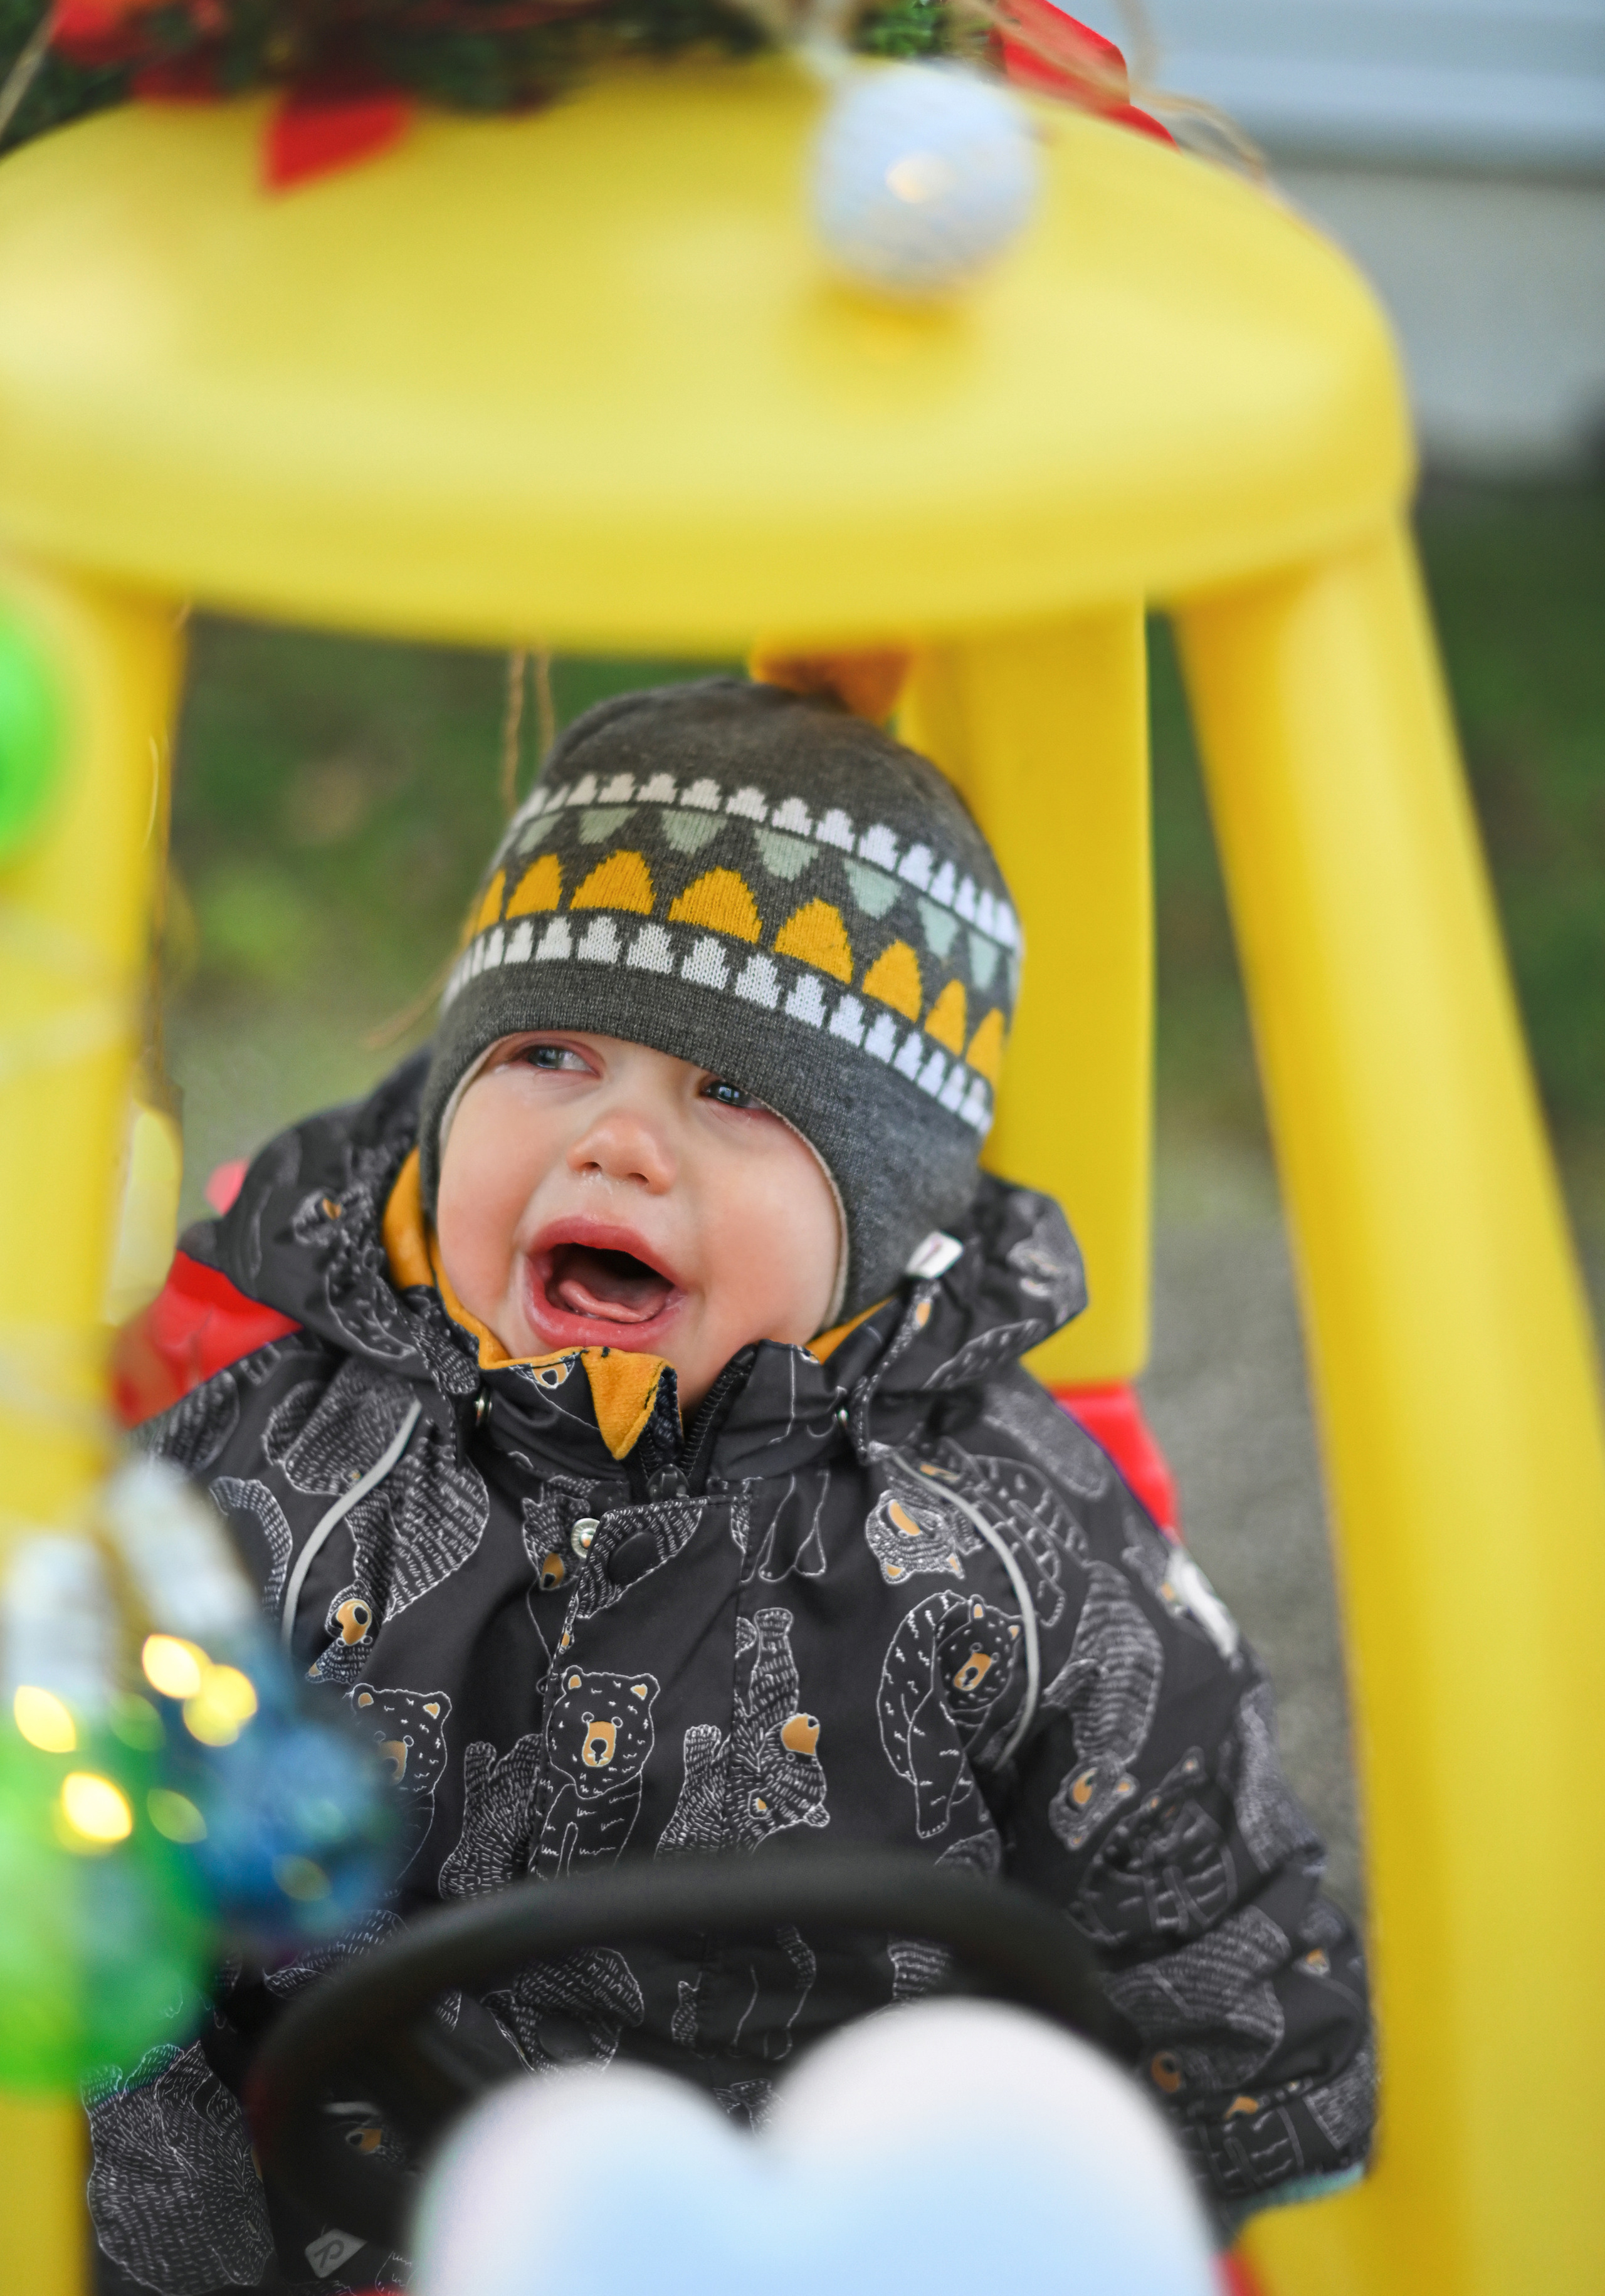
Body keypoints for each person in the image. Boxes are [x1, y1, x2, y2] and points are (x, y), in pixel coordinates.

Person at [95, 676, 1372, 2295]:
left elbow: (1190, 1874)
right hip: (353, 2228)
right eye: (550, 1054)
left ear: (881, 1214)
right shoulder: (284, 1459)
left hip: (828, 2237)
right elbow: (113, 1843)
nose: (622, 1145)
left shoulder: (1004, 1527)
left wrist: (1230, 2157)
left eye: (738, 1098)